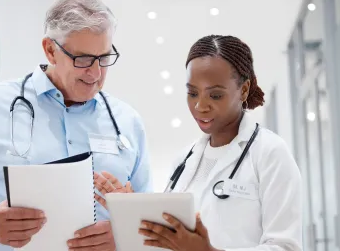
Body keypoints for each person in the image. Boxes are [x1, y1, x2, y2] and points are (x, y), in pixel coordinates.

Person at [0, 0, 152, 250]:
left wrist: (125, 232)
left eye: (104, 57)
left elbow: (151, 220)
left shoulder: (128, 122)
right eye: (83, 59)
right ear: (50, 49)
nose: (96, 73)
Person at [94, 35, 302, 251]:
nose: (200, 106)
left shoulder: (270, 153)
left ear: (244, 89)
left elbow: (285, 247)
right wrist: (134, 213)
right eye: (192, 93)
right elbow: (165, 242)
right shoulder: (185, 160)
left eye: (215, 95)